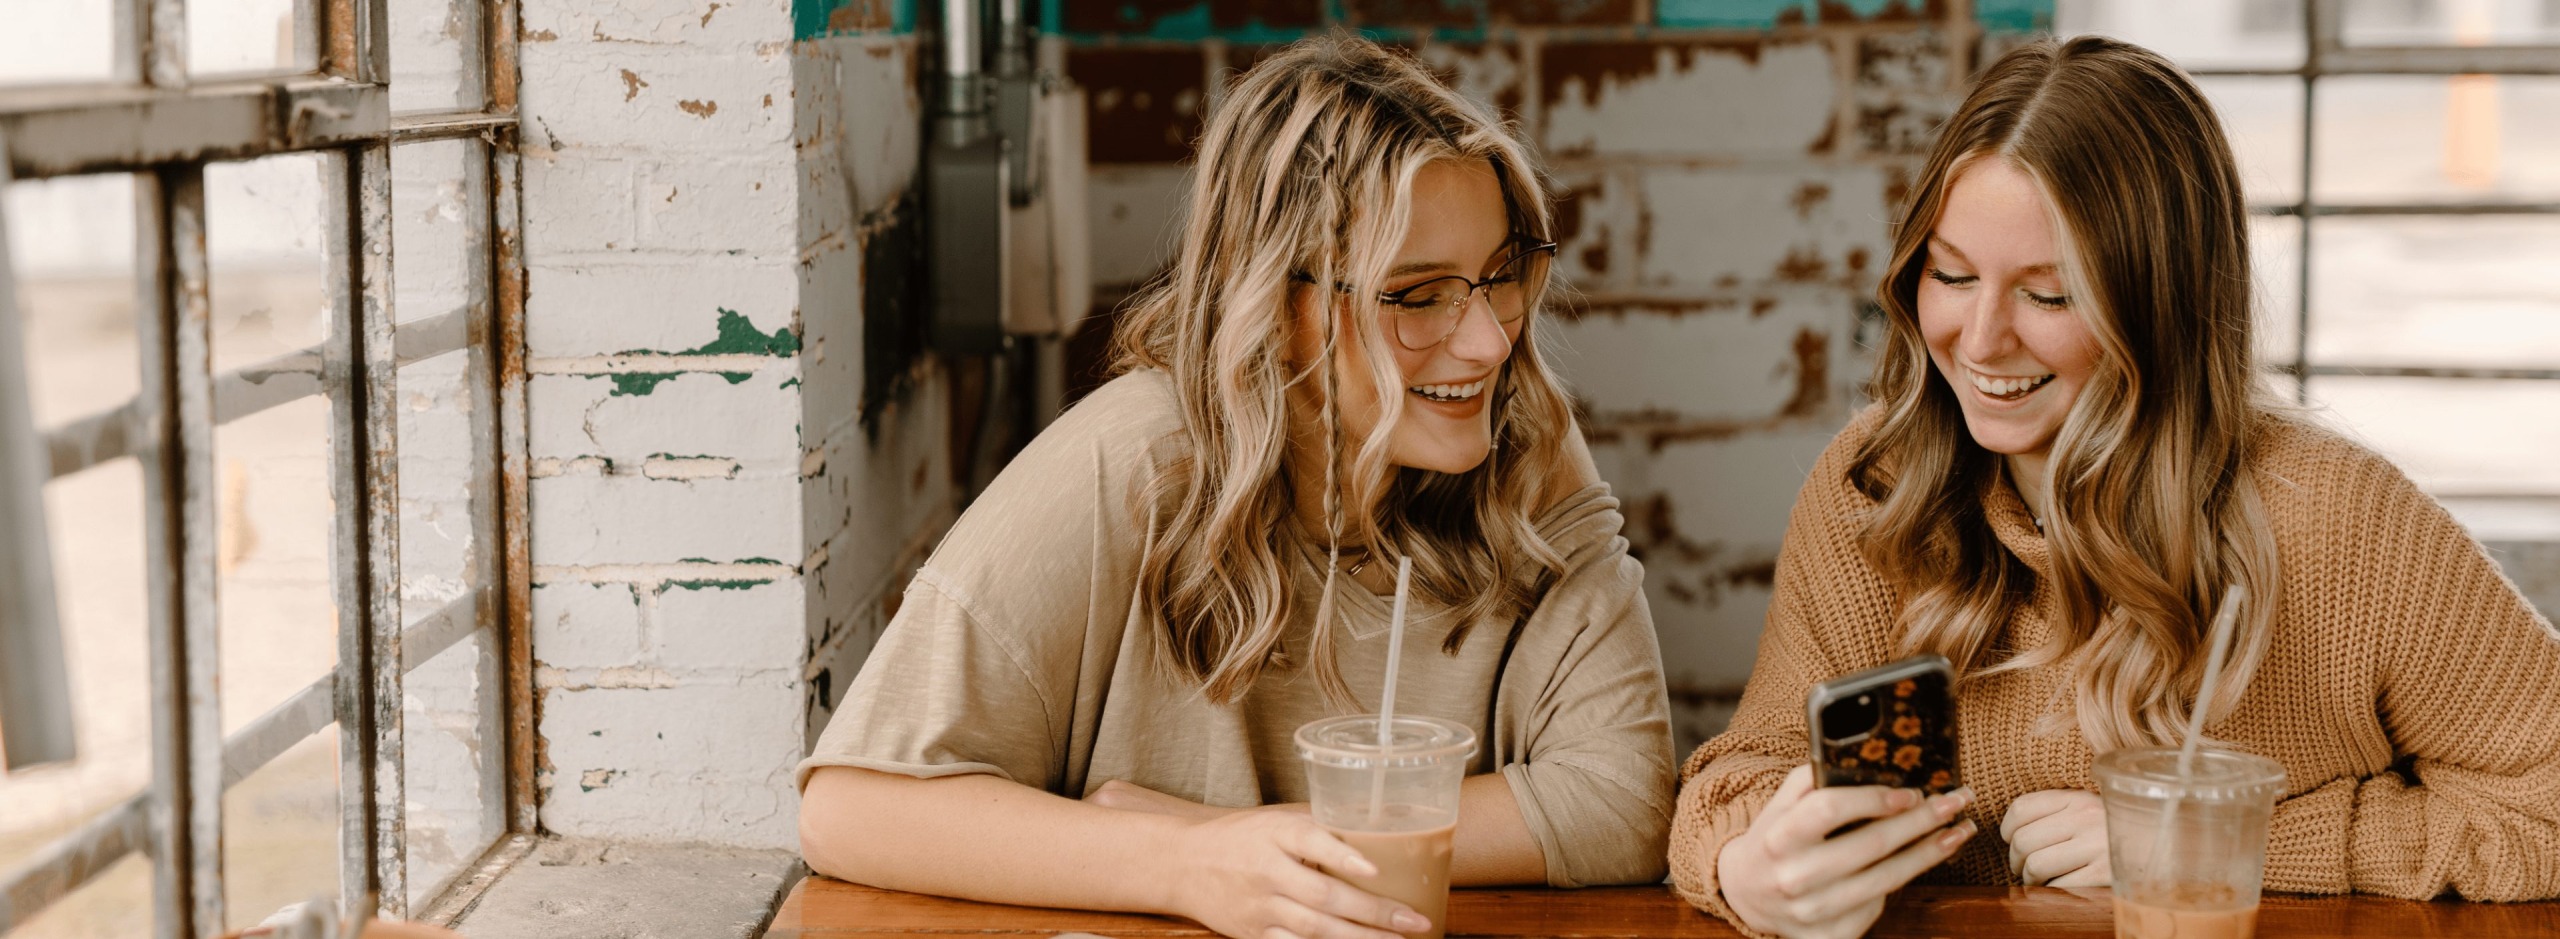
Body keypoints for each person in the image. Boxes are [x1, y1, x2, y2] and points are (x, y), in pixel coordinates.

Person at [1669, 35, 2560, 939]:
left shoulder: (2338, 519)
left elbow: (2549, 810)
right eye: (1951, 274)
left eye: (2048, 296)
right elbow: (1737, 778)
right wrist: (1750, 868)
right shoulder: (1876, 483)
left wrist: (2219, 841)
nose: (1979, 342)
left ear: (2161, 309)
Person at [796, 34, 1676, 939]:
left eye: (1500, 276)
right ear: (1277, 306)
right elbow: (851, 805)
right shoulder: (1132, 459)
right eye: (1418, 296)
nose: (1491, 341)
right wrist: (1185, 870)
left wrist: (1234, 841)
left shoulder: (1524, 436)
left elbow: (1623, 797)